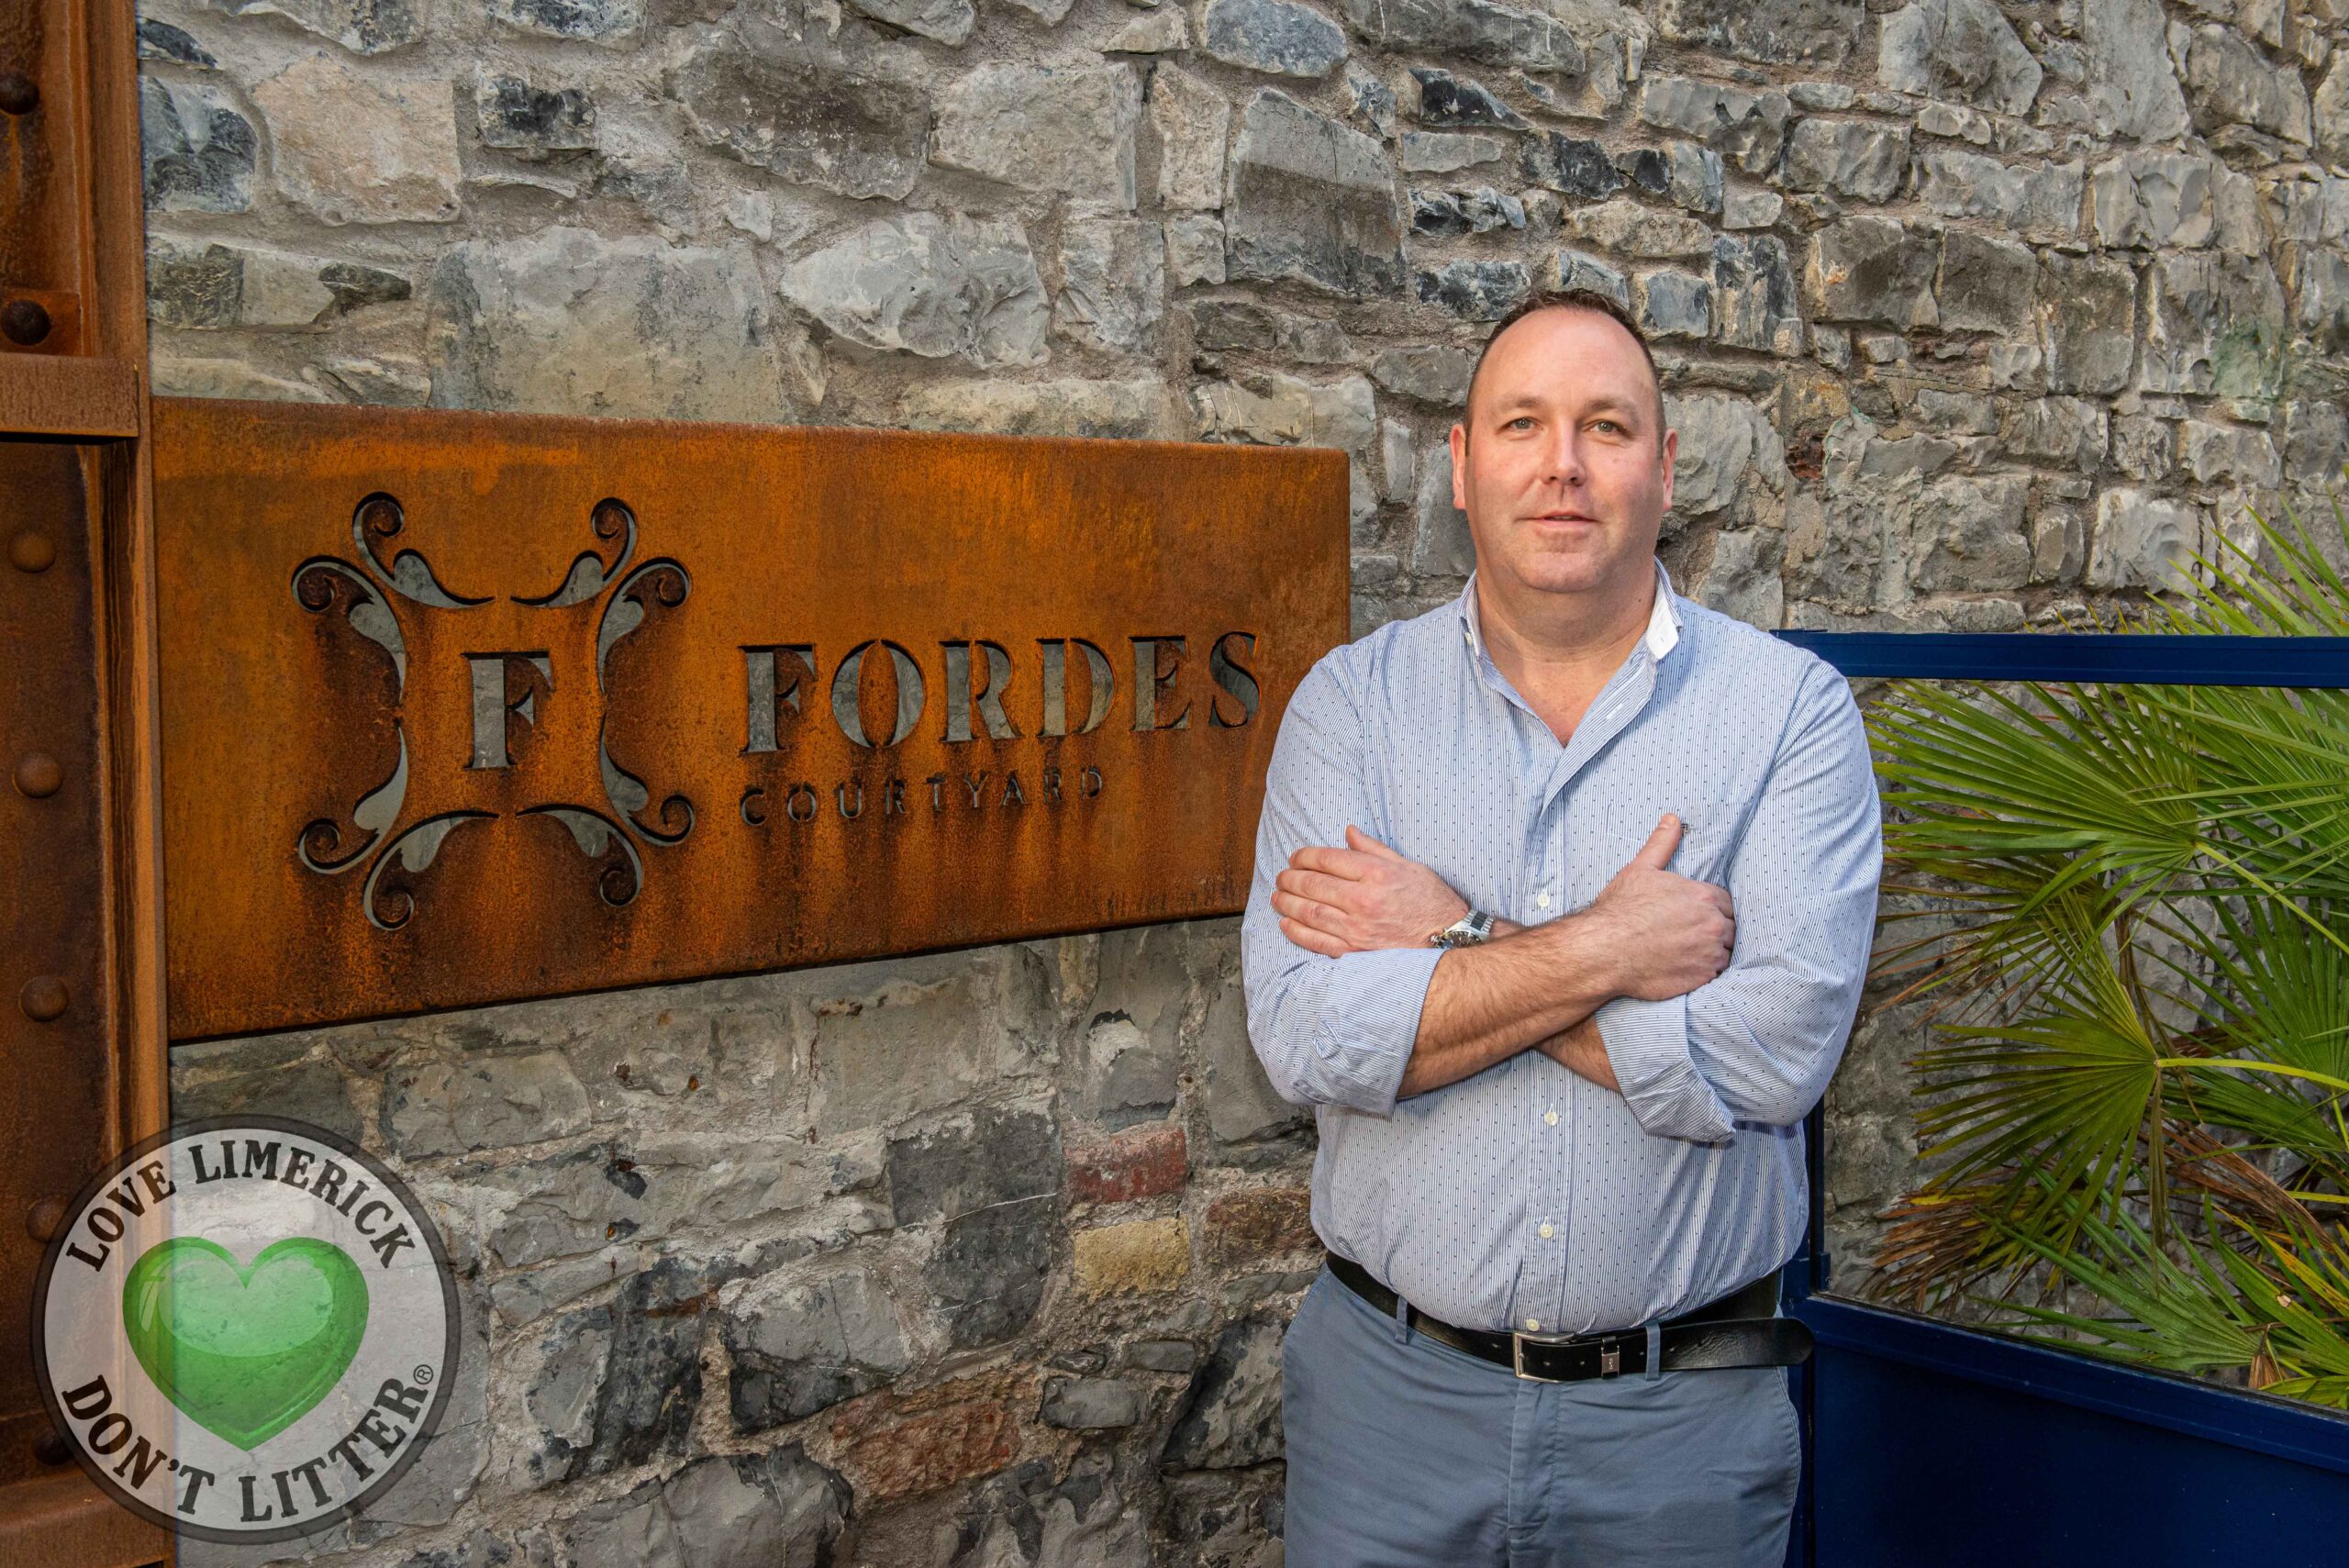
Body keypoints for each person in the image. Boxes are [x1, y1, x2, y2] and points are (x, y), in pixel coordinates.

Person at [1241, 288, 1882, 1567]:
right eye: (1522, 423)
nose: (1565, 465)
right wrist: (1609, 950)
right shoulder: (1350, 709)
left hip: (1677, 1437)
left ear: (1665, 465)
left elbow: (1768, 1065)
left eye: (1606, 424)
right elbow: (1308, 1041)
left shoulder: (1791, 718)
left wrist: (1448, 935)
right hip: (1389, 1413)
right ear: (1463, 466)